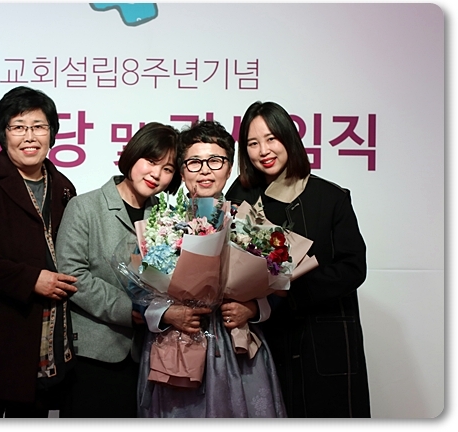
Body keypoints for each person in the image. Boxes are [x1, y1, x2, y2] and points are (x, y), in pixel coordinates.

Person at [225, 101, 370, 418]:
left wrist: (288, 291)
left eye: (271, 138)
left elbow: (353, 267)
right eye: (253, 143)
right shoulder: (240, 197)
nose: (264, 150)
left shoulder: (329, 197)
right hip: (262, 341)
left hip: (321, 341)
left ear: (289, 137)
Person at [137, 120, 286, 418]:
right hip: (176, 346)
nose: (205, 170)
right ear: (182, 172)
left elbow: (277, 287)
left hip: (236, 350)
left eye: (215, 161)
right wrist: (165, 313)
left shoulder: (251, 224)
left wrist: (252, 309)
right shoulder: (160, 224)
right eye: (194, 162)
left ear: (229, 169)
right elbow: (136, 290)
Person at [0, 86, 79, 418]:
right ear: (3, 134)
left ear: (52, 133)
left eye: (39, 126)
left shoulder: (64, 188)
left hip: (42, 341)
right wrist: (31, 279)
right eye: (18, 126)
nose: (29, 136)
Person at [55, 122, 181, 417]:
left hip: (148, 355)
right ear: (133, 155)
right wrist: (130, 309)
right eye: (151, 161)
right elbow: (73, 275)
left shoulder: (166, 218)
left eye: (167, 169)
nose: (156, 174)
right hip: (93, 354)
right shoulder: (85, 207)